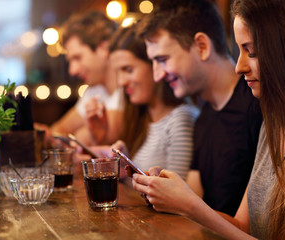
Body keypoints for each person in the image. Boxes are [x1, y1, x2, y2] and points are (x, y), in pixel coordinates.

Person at [132, 0, 285, 239]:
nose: (239, 66)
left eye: (252, 51)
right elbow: (241, 226)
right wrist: (175, 199)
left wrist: (189, 205)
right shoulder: (274, 124)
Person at [133, 0, 262, 216]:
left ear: (202, 46)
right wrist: (161, 189)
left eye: (163, 60)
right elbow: (195, 200)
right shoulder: (204, 117)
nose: (157, 75)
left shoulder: (259, 106)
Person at [80, 24, 199, 179]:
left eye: (128, 70)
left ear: (154, 65)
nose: (121, 82)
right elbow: (140, 192)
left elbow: (177, 197)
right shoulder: (142, 117)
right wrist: (122, 167)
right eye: (118, 72)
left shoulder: (180, 118)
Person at [35, 11, 123, 146]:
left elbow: (92, 139)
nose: (72, 70)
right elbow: (59, 130)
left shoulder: (127, 88)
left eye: (77, 58)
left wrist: (68, 139)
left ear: (103, 49)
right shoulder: (95, 90)